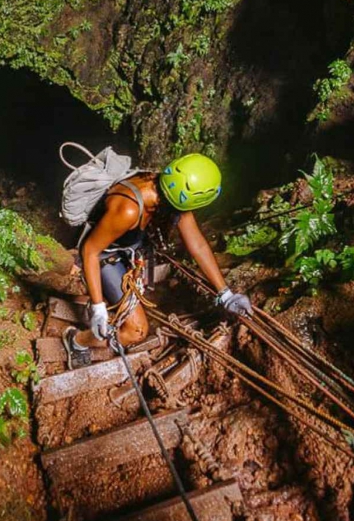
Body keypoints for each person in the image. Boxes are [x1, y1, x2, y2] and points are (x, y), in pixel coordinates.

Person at [64, 153, 252, 366]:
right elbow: (89, 250)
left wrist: (226, 294)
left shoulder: (170, 188)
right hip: (106, 256)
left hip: (130, 248)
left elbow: (197, 245)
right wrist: (97, 307)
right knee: (136, 332)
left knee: (140, 290)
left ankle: (112, 303)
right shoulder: (128, 209)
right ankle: (77, 340)